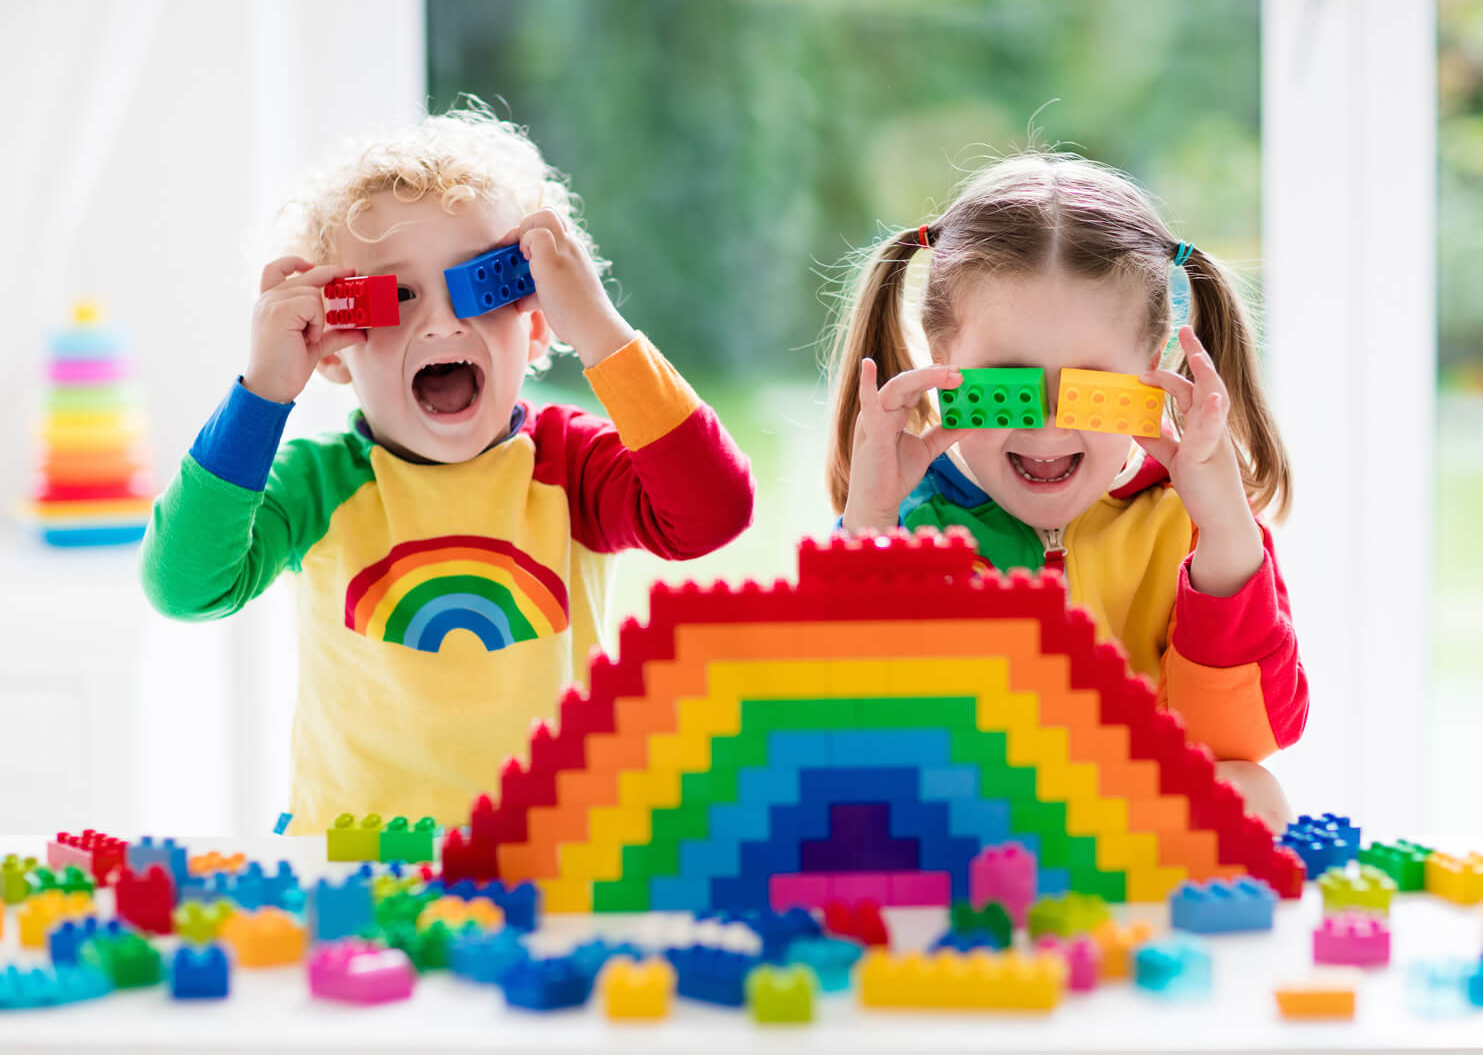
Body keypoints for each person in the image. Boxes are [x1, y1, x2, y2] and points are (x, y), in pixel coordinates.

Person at [141, 107, 755, 831]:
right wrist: (264, 390)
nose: (440, 325)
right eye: (394, 297)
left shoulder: (569, 467)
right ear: (334, 347)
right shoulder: (319, 484)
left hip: (551, 857)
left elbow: (712, 512)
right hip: (351, 864)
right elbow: (184, 586)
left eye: (479, 288)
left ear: (534, 324)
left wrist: (597, 326)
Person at [825, 152, 1303, 832]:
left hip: (1129, 827)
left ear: (1151, 371)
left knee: (1253, 792)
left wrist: (1225, 532)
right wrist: (872, 525)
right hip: (967, 823)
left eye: (1089, 387)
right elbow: (850, 729)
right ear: (941, 361)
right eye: (1007, 386)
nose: (1047, 423)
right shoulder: (913, 522)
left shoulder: (1188, 524)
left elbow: (1242, 740)